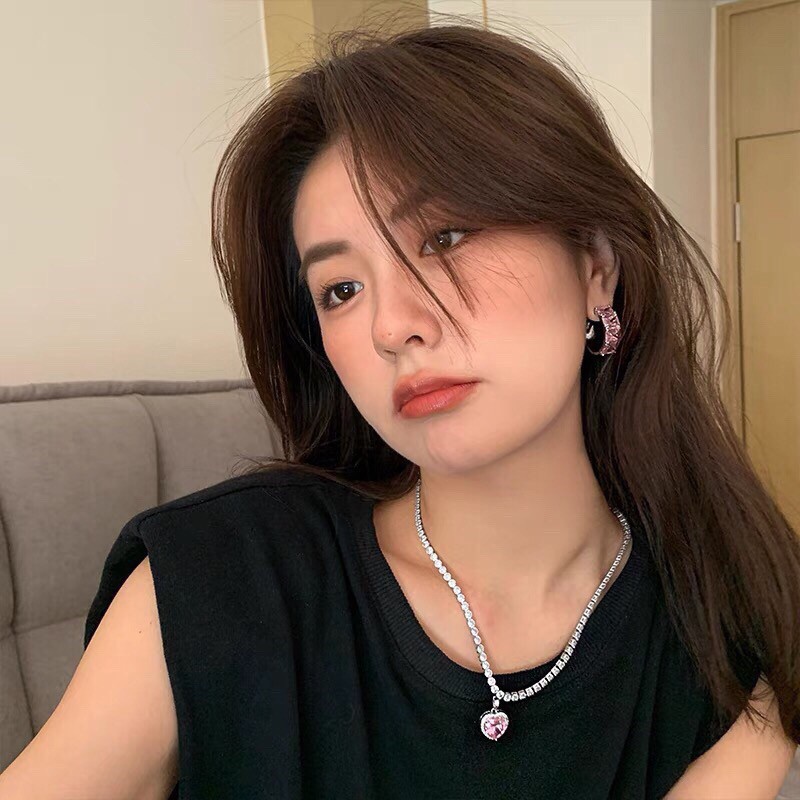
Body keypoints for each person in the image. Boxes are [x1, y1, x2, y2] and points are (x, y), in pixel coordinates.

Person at [1, 17, 798, 800]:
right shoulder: (221, 578)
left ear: (596, 267)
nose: (391, 326)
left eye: (445, 237)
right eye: (341, 289)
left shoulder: (721, 624)